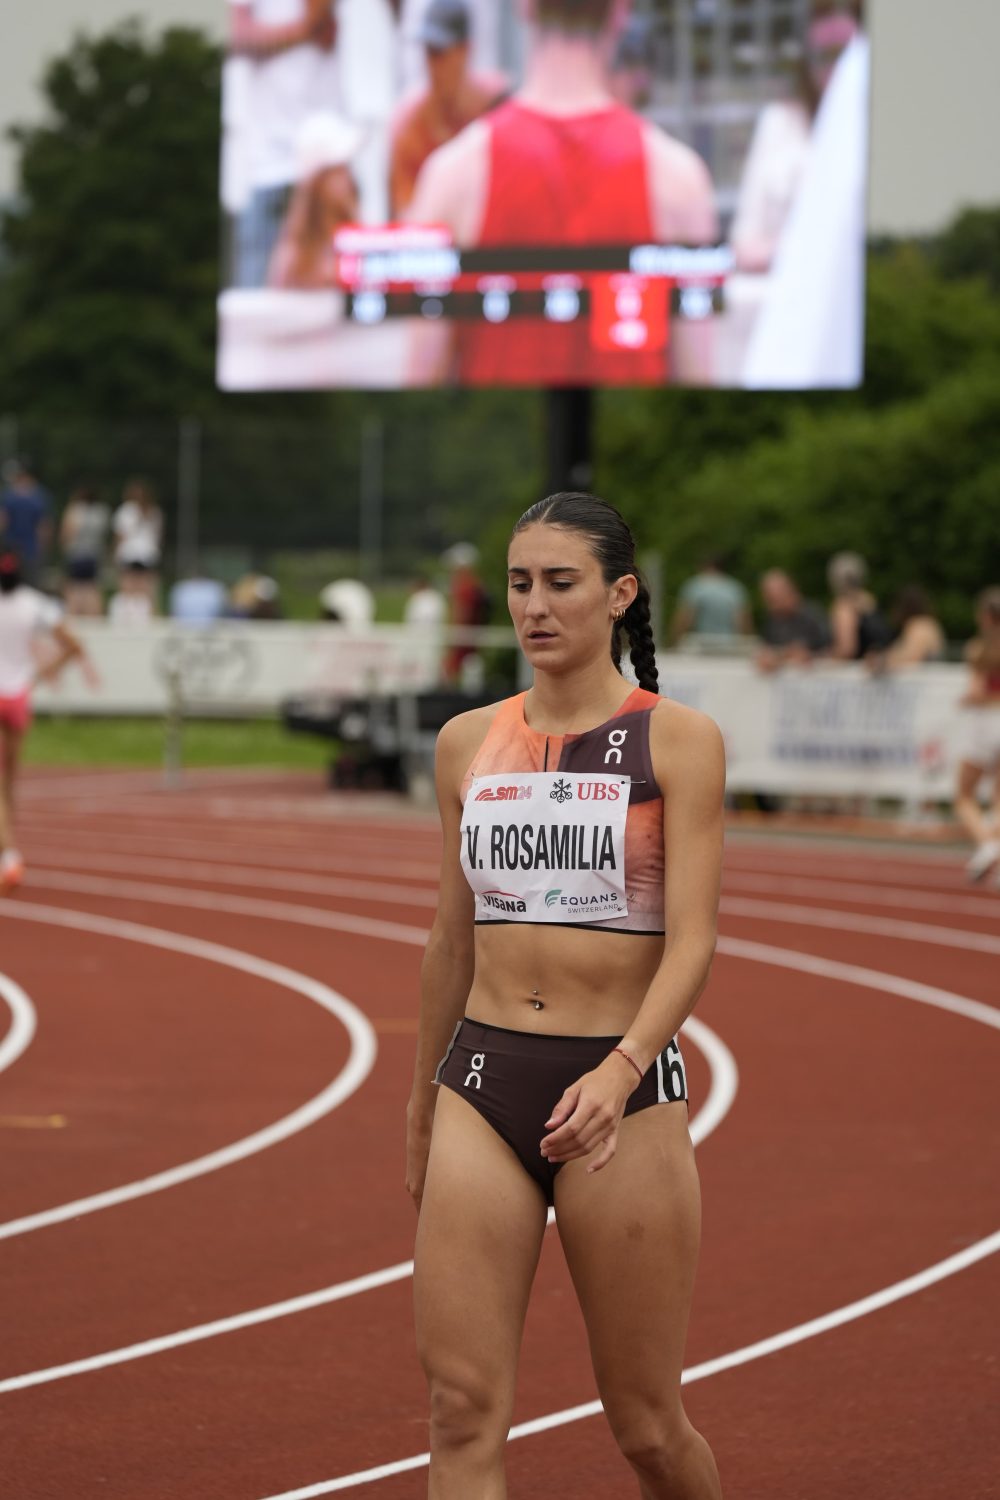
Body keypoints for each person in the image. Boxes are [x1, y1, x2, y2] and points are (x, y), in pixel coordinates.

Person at [407, 491, 725, 1497]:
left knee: (644, 1426)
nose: (534, 606)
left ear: (619, 595)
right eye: (517, 583)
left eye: (560, 583)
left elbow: (694, 943)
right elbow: (449, 940)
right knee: (461, 1413)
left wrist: (623, 1065)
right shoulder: (466, 743)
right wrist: (422, 1108)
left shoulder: (676, 741)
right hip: (482, 1086)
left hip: (619, 1095)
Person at [405, 0, 718, 386]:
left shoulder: (451, 178)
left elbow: (422, 379)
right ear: (621, 10)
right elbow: (697, 380)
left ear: (523, 7)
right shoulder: (679, 180)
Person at [730, 3, 860, 274]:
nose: (835, 69)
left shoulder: (867, 131)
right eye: (824, 55)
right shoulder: (779, 123)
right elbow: (744, 243)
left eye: (844, 55)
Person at [227, 0, 342, 286]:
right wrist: (305, 30)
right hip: (270, 167)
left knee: (327, 305)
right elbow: (236, 35)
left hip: (327, 161)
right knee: (257, 308)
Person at [0, 550, 92, 895]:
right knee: (9, 781)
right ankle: (7, 850)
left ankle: (8, 856)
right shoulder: (33, 604)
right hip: (19, 697)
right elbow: (74, 643)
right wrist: (46, 671)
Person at [389, 0, 508, 217]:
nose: (434, 65)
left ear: (465, 50)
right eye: (429, 52)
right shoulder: (408, 125)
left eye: (441, 52)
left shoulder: (498, 106)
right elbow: (405, 217)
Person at [267, 112, 363, 288]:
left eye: (347, 168)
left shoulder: (358, 236)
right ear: (318, 181)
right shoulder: (293, 257)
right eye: (338, 170)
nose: (348, 179)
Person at [955, 587, 1000, 883]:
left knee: (964, 794)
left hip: (987, 724)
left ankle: (987, 844)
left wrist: (966, 700)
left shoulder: (979, 649)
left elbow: (975, 692)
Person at [756, 567, 831, 671]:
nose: (770, 605)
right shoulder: (772, 621)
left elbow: (833, 649)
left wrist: (812, 656)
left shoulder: (813, 615)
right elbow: (766, 648)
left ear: (789, 590)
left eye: (773, 599)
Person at [669, 555, 752, 645]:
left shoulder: (695, 586)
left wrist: (674, 641)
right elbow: (743, 621)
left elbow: (685, 619)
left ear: (704, 566)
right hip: (729, 643)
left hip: (700, 643)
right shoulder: (735, 588)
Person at [827, 550, 892, 659]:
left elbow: (847, 649)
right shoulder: (870, 600)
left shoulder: (844, 606)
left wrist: (823, 659)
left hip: (859, 670)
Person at [111, 478, 163, 611]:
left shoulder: (126, 511)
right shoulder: (154, 512)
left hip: (133, 552)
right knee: (146, 588)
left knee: (129, 586)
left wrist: (116, 553)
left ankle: (130, 614)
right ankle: (149, 614)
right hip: (145, 553)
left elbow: (120, 536)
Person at [0, 458, 53, 586]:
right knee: (31, 585)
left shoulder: (8, 496)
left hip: (12, 547)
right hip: (31, 549)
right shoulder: (40, 496)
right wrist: (44, 548)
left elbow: (2, 521)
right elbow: (45, 526)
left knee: (10, 584)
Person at [60, 484, 110, 617]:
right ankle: (94, 616)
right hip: (94, 555)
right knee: (92, 588)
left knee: (73, 588)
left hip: (76, 554)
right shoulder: (101, 512)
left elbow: (67, 533)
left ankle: (74, 615)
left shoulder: (75, 510)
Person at [870, 584, 946, 671]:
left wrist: (881, 661)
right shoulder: (923, 624)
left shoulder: (921, 626)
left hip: (926, 683)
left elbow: (912, 657)